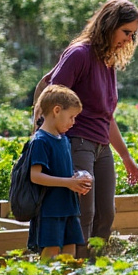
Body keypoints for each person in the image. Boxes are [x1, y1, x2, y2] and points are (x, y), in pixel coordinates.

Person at [45, 0, 138, 255]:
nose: (129, 40)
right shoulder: (79, 54)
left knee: (106, 214)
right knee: (84, 213)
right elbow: (52, 98)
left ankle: (94, 273)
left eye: (133, 35)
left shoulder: (107, 61)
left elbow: (106, 116)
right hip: (77, 142)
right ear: (109, 23)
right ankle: (74, 273)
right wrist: (52, 145)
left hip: (101, 147)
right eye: (126, 32)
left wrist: (126, 157)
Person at [27, 85, 91, 259]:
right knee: (52, 249)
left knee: (70, 248)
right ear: (56, 110)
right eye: (71, 117)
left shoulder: (64, 140)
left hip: (69, 206)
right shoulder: (40, 141)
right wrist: (68, 183)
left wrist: (77, 180)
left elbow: (64, 172)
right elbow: (35, 176)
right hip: (50, 208)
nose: (73, 122)